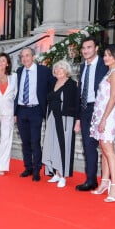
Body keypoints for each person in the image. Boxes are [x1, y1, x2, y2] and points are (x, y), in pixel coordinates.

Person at [74, 37, 115, 191]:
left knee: (105, 147)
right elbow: (81, 93)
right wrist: (78, 117)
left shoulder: (105, 64)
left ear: (96, 48)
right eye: (83, 48)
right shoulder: (83, 66)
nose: (86, 50)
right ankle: (93, 180)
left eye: (89, 47)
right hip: (88, 110)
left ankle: (110, 184)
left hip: (103, 110)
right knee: (89, 147)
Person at [89, 44, 115, 202]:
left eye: (109, 55)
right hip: (101, 114)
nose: (106, 58)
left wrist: (104, 119)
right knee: (104, 149)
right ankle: (104, 182)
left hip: (108, 116)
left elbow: (113, 98)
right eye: (105, 55)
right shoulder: (109, 72)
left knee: (108, 149)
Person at [15, 47, 54, 181]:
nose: (25, 58)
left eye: (27, 55)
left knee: (35, 141)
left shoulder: (43, 71)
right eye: (22, 56)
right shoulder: (19, 71)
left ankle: (37, 169)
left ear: (33, 57)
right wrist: (15, 112)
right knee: (25, 141)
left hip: (36, 110)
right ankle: (28, 167)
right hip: (21, 110)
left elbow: (53, 87)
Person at [41, 60, 78, 188]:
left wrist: (77, 120)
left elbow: (76, 103)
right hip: (52, 117)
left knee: (63, 146)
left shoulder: (72, 84)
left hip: (65, 119)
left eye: (60, 69)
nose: (57, 71)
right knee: (52, 145)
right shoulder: (54, 83)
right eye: (56, 69)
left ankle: (63, 175)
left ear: (66, 70)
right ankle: (56, 173)